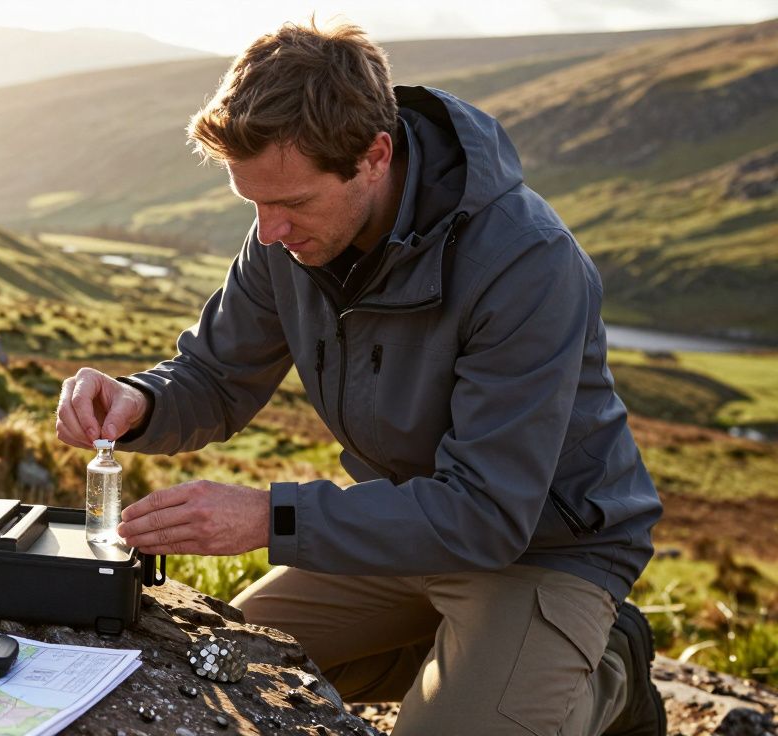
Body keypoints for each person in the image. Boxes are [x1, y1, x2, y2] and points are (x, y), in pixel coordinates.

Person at [55, 19, 667, 736]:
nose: (270, 231)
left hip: (541, 548)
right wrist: (142, 401)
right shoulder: (283, 239)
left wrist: (267, 517)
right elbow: (216, 377)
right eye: (253, 203)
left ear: (374, 156)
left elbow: (487, 515)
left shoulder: (527, 263)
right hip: (400, 528)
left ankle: (603, 673)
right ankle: (473, 660)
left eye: (292, 204)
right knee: (219, 663)